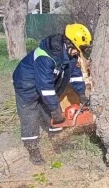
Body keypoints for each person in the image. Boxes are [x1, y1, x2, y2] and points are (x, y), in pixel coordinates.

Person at [13, 24, 93, 165]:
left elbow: (74, 75)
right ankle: (33, 150)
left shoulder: (70, 54)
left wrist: (81, 93)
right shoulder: (45, 56)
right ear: (68, 42)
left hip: (46, 84)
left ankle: (57, 142)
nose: (78, 53)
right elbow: (45, 87)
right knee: (30, 116)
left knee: (52, 114)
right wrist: (55, 107)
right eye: (77, 49)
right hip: (26, 84)